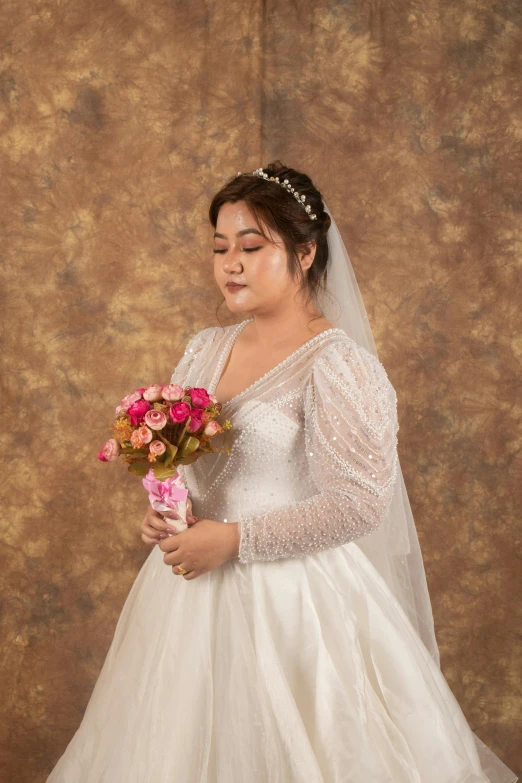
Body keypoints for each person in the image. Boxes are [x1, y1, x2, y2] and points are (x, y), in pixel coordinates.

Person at [46, 162, 517, 782]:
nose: (230, 264)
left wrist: (236, 540)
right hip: (186, 597)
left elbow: (359, 502)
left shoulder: (337, 364)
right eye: (220, 248)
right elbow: (189, 465)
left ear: (304, 252)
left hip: (296, 604)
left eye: (251, 246)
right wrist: (169, 512)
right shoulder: (206, 347)